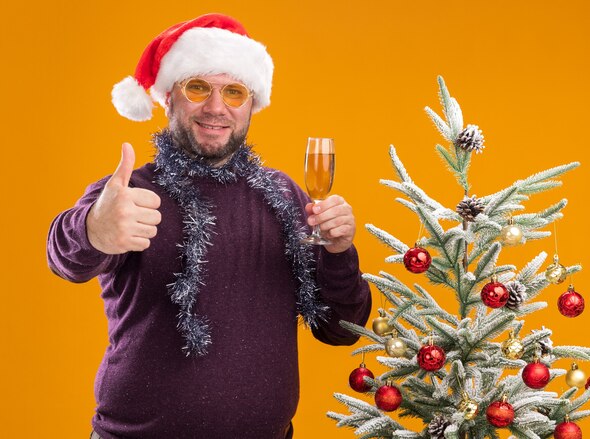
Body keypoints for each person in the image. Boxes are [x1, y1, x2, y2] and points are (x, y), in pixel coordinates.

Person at [46, 13, 371, 439]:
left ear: (251, 104)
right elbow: (64, 258)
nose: (216, 108)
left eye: (233, 92)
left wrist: (338, 250)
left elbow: (341, 329)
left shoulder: (286, 196)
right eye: (197, 87)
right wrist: (91, 229)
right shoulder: (130, 192)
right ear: (168, 98)